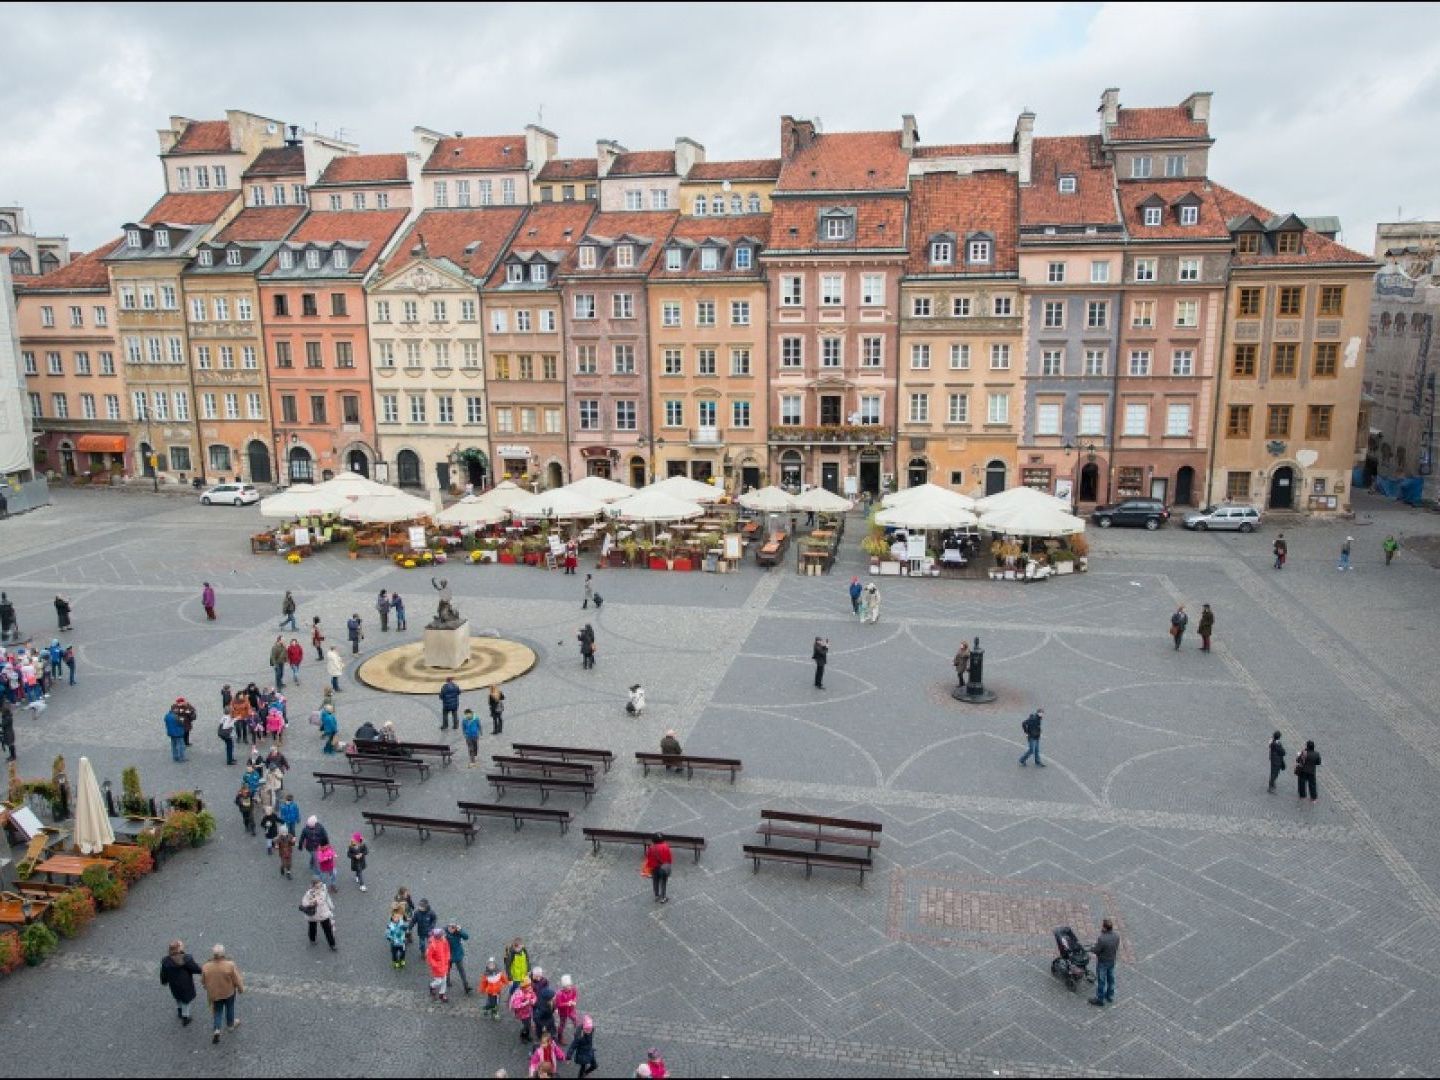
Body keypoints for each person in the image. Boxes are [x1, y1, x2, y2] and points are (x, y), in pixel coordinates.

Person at [201, 944, 243, 1044]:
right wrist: (241, 989)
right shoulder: (230, 965)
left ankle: (217, 1030)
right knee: (230, 1008)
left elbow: (203, 981)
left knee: (218, 1011)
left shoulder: (206, 966)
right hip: (228, 992)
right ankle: (230, 1025)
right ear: (223, 953)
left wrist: (207, 987)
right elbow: (236, 979)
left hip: (215, 994)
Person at [160, 940, 203, 1026]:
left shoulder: (166, 961)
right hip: (185, 984)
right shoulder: (186, 959)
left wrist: (164, 981)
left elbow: (163, 973)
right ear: (178, 949)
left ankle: (180, 1011)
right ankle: (185, 1018)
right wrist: (203, 970)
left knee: (178, 997)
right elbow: (196, 969)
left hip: (174, 984)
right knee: (186, 1001)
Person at [1088, 918, 1120, 1006]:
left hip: (1103, 962)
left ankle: (1100, 999)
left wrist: (1092, 949)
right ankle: (1109, 996)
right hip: (1111, 961)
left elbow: (1097, 950)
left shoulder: (1102, 939)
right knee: (1111, 980)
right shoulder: (1116, 936)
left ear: (1105, 928)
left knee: (1101, 981)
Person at [302, 877, 337, 950]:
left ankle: (332, 944)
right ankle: (313, 939)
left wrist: (331, 906)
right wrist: (310, 903)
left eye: (319, 884)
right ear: (313, 885)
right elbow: (304, 902)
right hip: (315, 913)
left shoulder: (323, 890)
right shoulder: (310, 893)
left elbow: (326, 898)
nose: (319, 886)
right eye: (317, 885)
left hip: (321, 913)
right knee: (313, 927)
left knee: (327, 929)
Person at [645, 833, 673, 904]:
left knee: (655, 882)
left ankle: (657, 896)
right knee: (663, 883)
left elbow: (648, 857)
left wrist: (650, 867)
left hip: (654, 868)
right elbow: (669, 858)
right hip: (663, 868)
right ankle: (663, 898)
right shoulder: (665, 847)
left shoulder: (651, 847)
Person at [425, 927, 451, 1002]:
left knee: (444, 981)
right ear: (438, 936)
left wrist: (447, 958)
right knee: (438, 981)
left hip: (444, 964)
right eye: (442, 935)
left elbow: (447, 950)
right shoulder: (432, 945)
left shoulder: (444, 941)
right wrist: (435, 964)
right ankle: (432, 986)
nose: (444, 936)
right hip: (437, 967)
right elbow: (429, 957)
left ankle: (442, 994)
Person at [445, 923, 471, 995]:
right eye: (450, 927)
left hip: (457, 955)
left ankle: (466, 986)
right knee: (447, 970)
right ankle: (447, 981)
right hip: (448, 956)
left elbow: (466, 937)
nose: (451, 929)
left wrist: (460, 931)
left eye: (453, 928)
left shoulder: (458, 932)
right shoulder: (445, 933)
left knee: (462, 971)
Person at [510, 977, 537, 1043]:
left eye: (530, 985)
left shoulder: (530, 990)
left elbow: (534, 996)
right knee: (526, 1025)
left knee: (528, 1024)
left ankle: (527, 1035)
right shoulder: (519, 994)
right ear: (524, 987)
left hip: (529, 1011)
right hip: (522, 1014)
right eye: (528, 986)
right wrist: (525, 1003)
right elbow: (515, 1005)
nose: (530, 987)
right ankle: (523, 1036)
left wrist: (533, 1001)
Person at [555, 974, 579, 1041]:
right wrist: (567, 1004)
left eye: (570, 985)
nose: (570, 987)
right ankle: (560, 1037)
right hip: (563, 1012)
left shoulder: (573, 989)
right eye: (568, 986)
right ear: (564, 987)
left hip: (571, 1009)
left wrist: (574, 1001)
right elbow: (559, 1004)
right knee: (562, 1024)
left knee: (576, 1020)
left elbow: (575, 996)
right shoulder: (559, 994)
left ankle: (578, 1033)